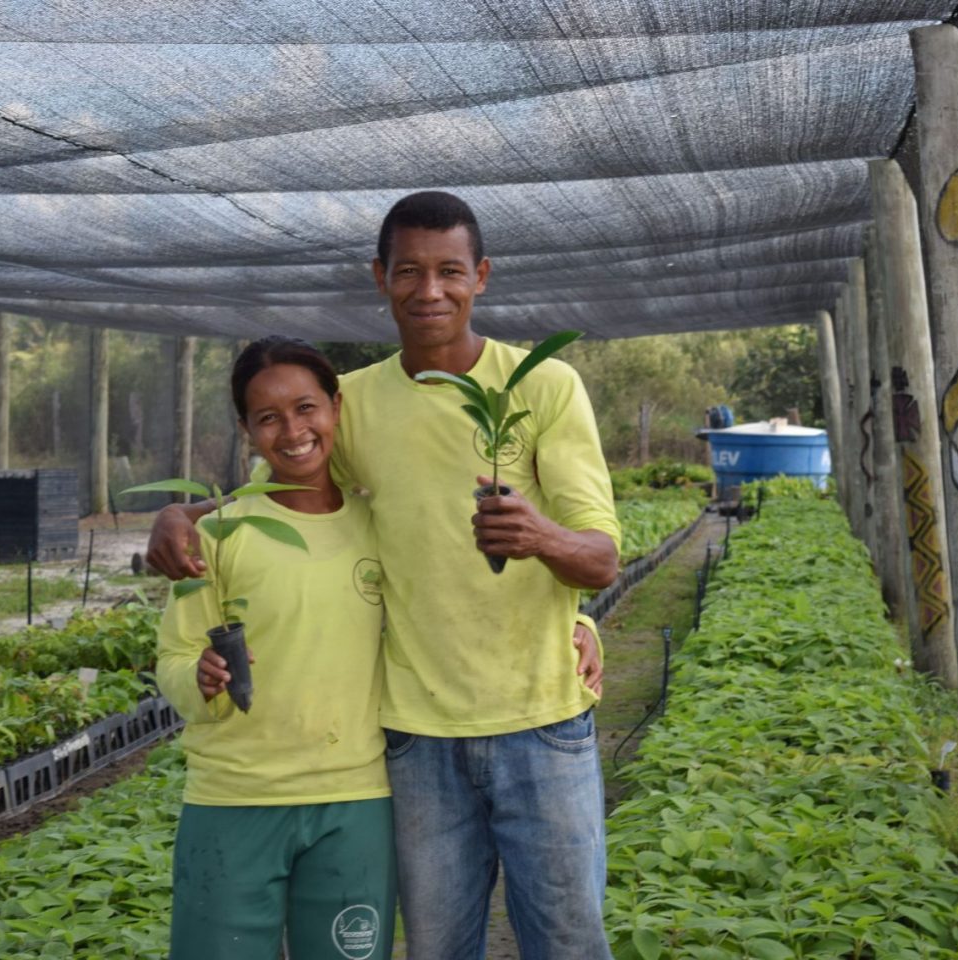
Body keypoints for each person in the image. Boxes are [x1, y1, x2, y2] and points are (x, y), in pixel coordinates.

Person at [148, 190, 621, 959]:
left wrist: (543, 543)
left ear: (481, 276)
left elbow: (600, 556)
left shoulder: (542, 386)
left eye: (450, 271)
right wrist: (179, 515)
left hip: (542, 719)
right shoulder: (354, 402)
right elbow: (281, 486)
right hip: (415, 737)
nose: (429, 290)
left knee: (568, 941)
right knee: (437, 947)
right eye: (409, 271)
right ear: (381, 277)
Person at [155, 337, 396, 960]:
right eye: (268, 417)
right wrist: (198, 677)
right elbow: (175, 655)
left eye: (306, 408)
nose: (293, 432)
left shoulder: (380, 524)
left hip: (355, 798)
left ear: (336, 407)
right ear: (246, 430)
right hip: (235, 797)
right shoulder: (217, 534)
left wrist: (575, 624)